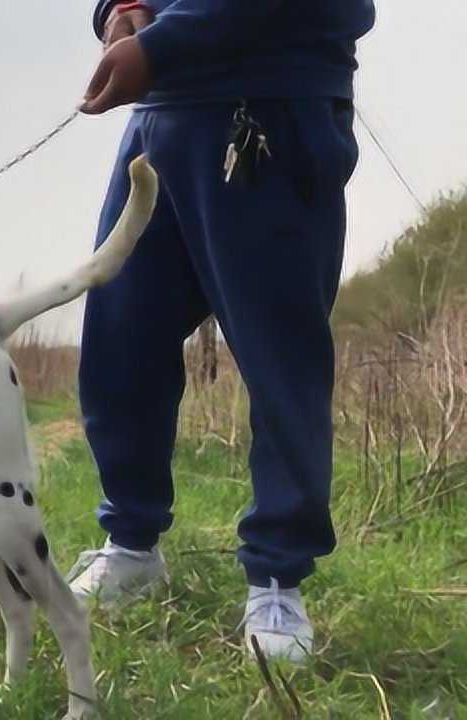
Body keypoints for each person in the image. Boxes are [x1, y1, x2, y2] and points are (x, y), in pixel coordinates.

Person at [69, 0, 376, 663]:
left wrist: (159, 45)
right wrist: (123, 13)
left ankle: (276, 577)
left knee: (280, 360)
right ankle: (131, 544)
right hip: (157, 123)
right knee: (121, 345)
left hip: (272, 109)